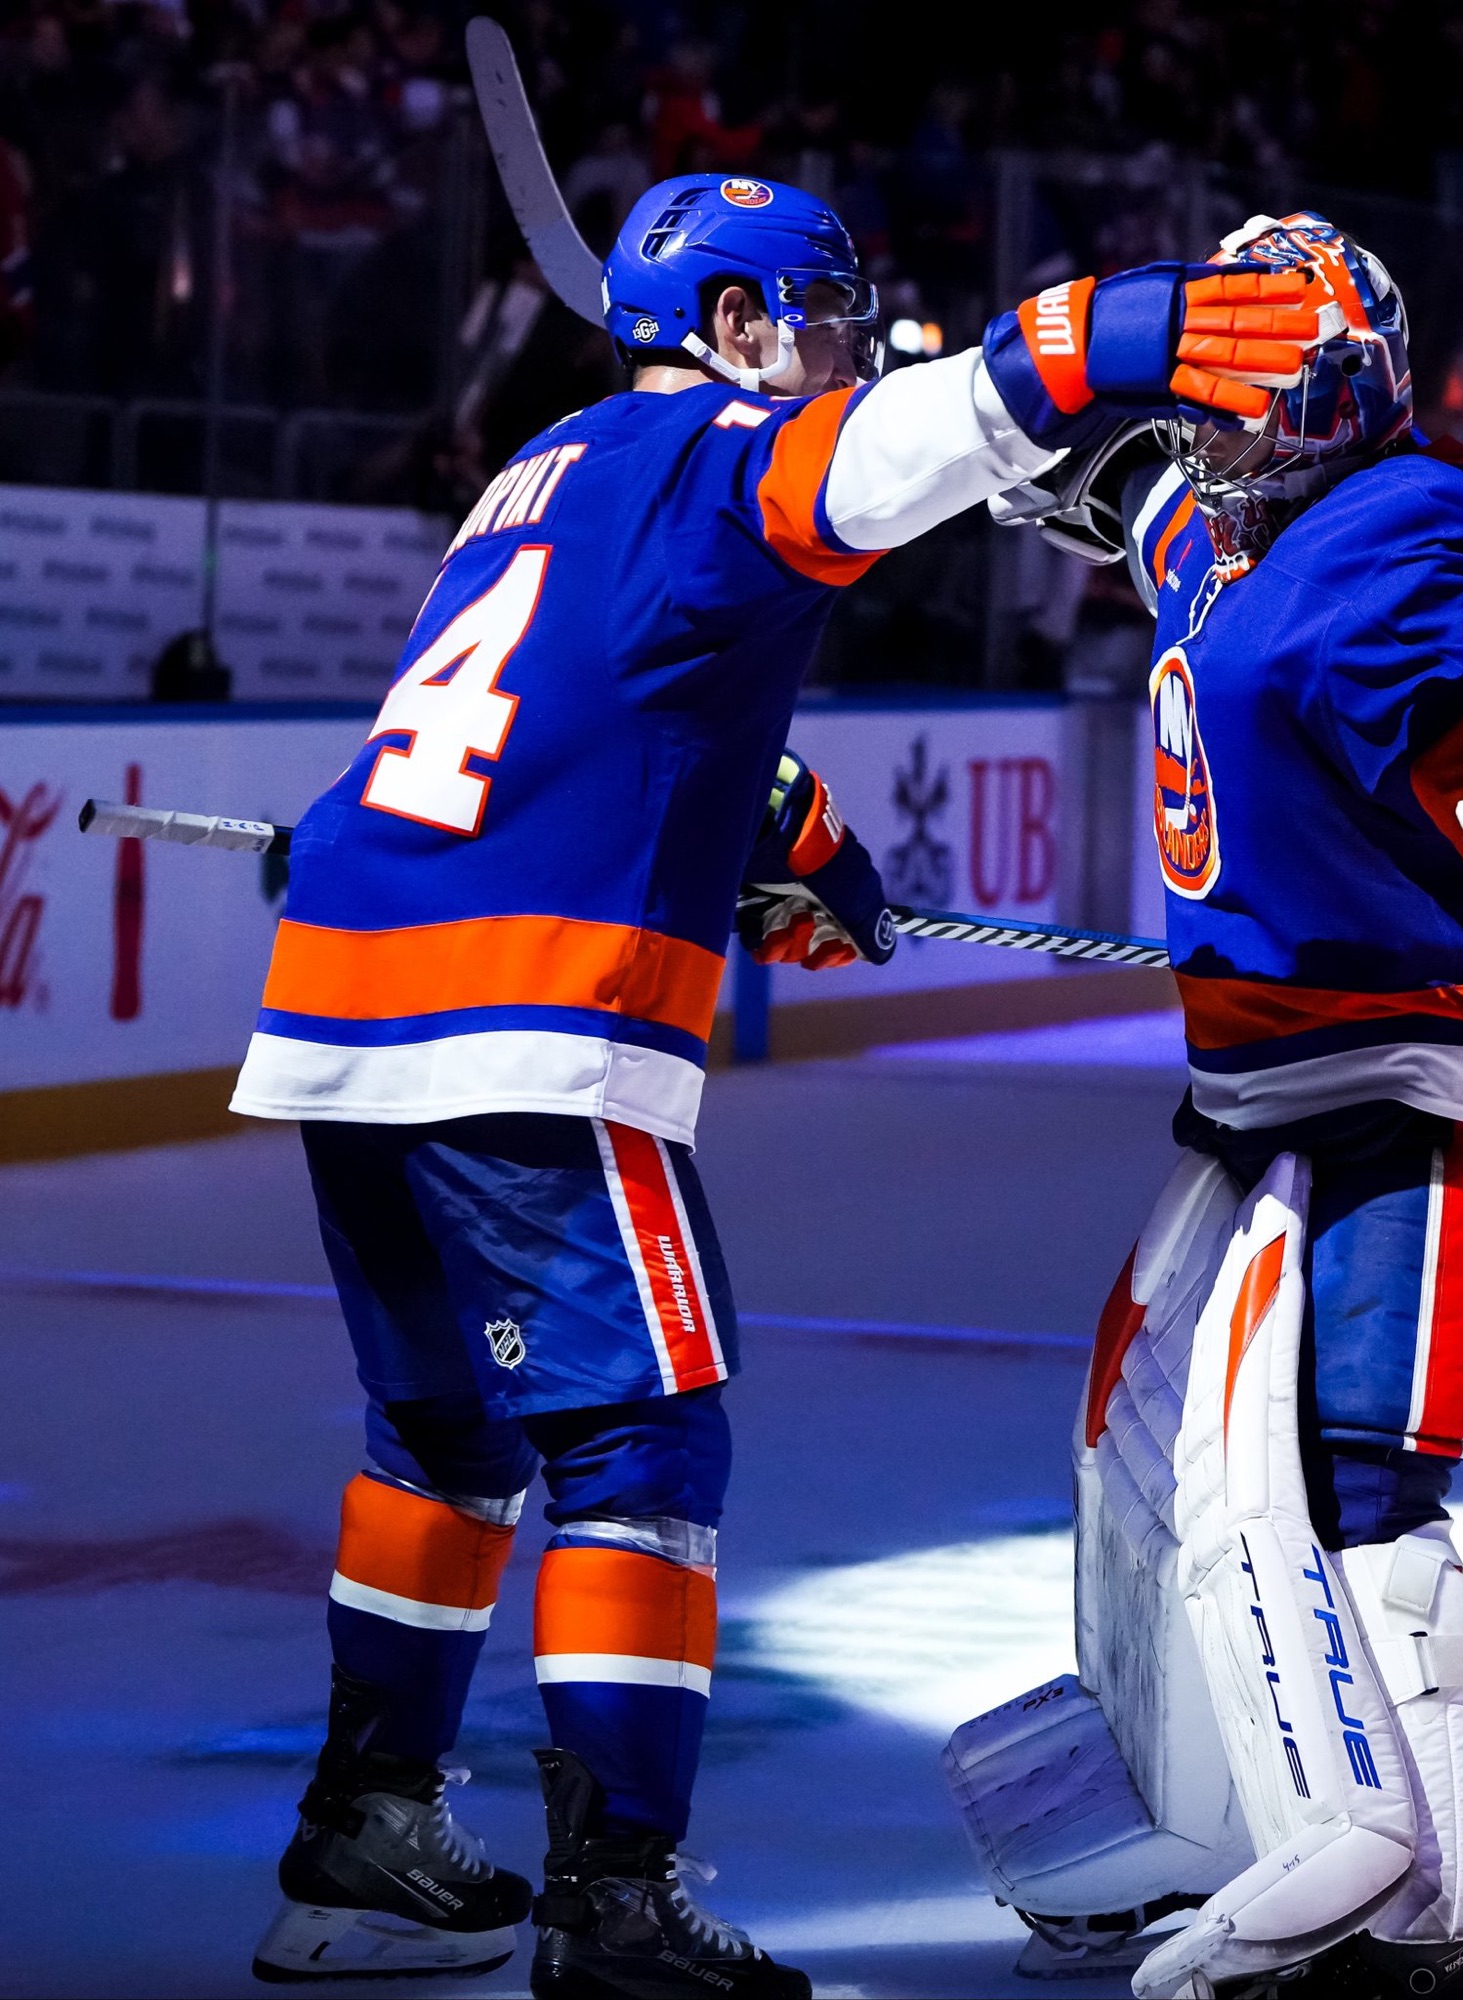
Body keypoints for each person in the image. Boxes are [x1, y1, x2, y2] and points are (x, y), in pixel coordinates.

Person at [227, 172, 1323, 1997]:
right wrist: (1113, 339)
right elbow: (898, 450)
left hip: (346, 1007)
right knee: (641, 1441)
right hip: (523, 1027)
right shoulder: (722, 459)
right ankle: (614, 1914)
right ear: (734, 330)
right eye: (818, 320)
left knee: (443, 1435)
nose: (838, 354)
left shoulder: (549, 469)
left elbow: (601, 695)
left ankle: (361, 1839)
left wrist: (783, 829)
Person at [947, 212, 1463, 1998]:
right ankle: (1247, 1829)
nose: (1206, 430)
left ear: (1341, 391)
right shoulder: (1215, 535)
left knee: (1355, 1487)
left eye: (1243, 395)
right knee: (1176, 1473)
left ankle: (1436, 1925)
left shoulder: (1407, 531)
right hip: (1274, 1099)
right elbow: (1113, 501)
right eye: (1196, 398)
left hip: (1432, 1086)